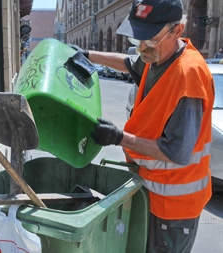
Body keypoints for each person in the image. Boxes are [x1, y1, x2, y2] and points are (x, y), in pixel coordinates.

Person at [71, 0, 214, 252]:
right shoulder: (157, 57)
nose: (142, 46)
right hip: (148, 189)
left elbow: (176, 152)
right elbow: (128, 63)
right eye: (138, 37)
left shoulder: (188, 76)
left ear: (177, 31)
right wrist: (87, 56)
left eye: (149, 38)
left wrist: (119, 138)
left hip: (173, 206)